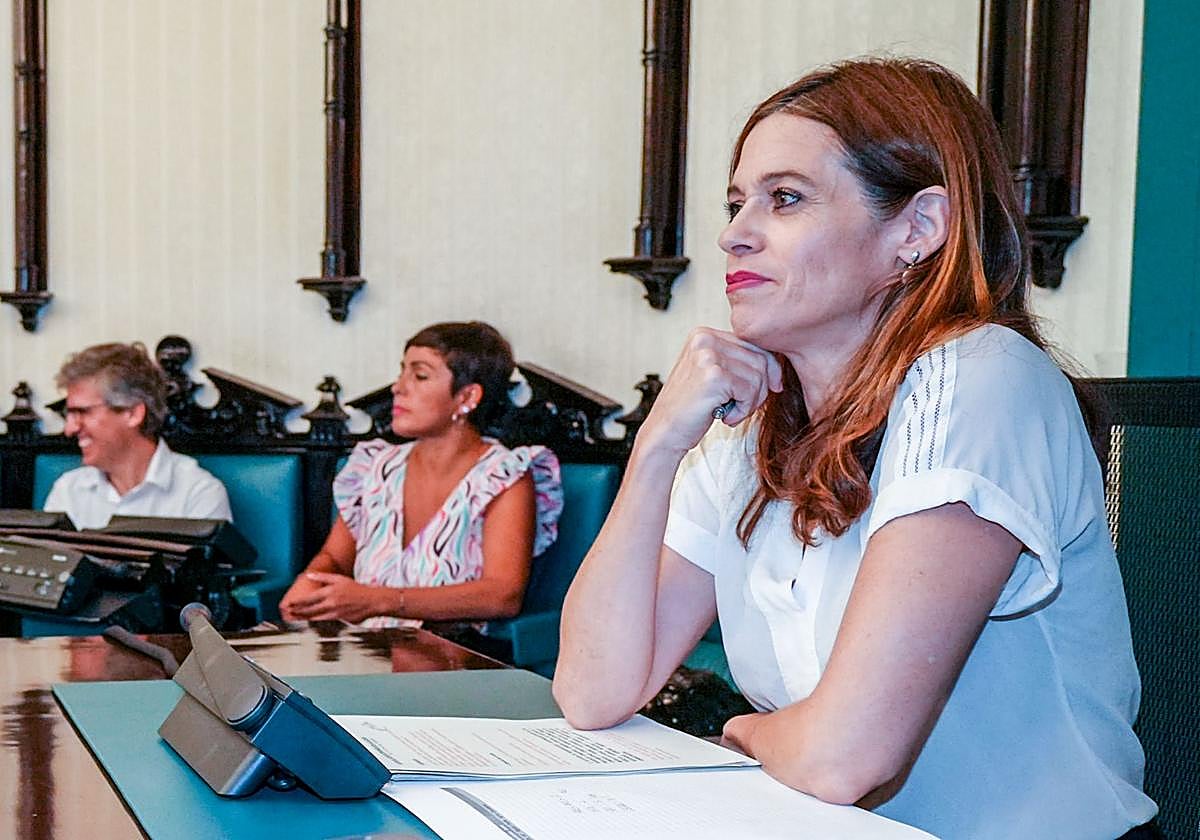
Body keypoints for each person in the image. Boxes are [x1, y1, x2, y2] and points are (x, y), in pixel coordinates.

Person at [552, 58, 1159, 840]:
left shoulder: (984, 378)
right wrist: (659, 446)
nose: (734, 234)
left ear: (917, 228)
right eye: (737, 202)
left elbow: (844, 759)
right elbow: (594, 691)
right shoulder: (756, 424)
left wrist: (739, 733)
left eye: (785, 198)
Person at [278, 321, 562, 630]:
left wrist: (379, 600)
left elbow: (502, 594)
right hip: (362, 654)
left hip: (451, 660)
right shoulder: (376, 465)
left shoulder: (504, 475)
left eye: (420, 375)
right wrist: (311, 581)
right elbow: (334, 557)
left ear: (467, 397)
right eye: (402, 372)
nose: (398, 387)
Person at [43, 342, 232, 529]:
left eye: (82, 412)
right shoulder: (68, 490)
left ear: (133, 413)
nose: (69, 429)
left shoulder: (198, 493)